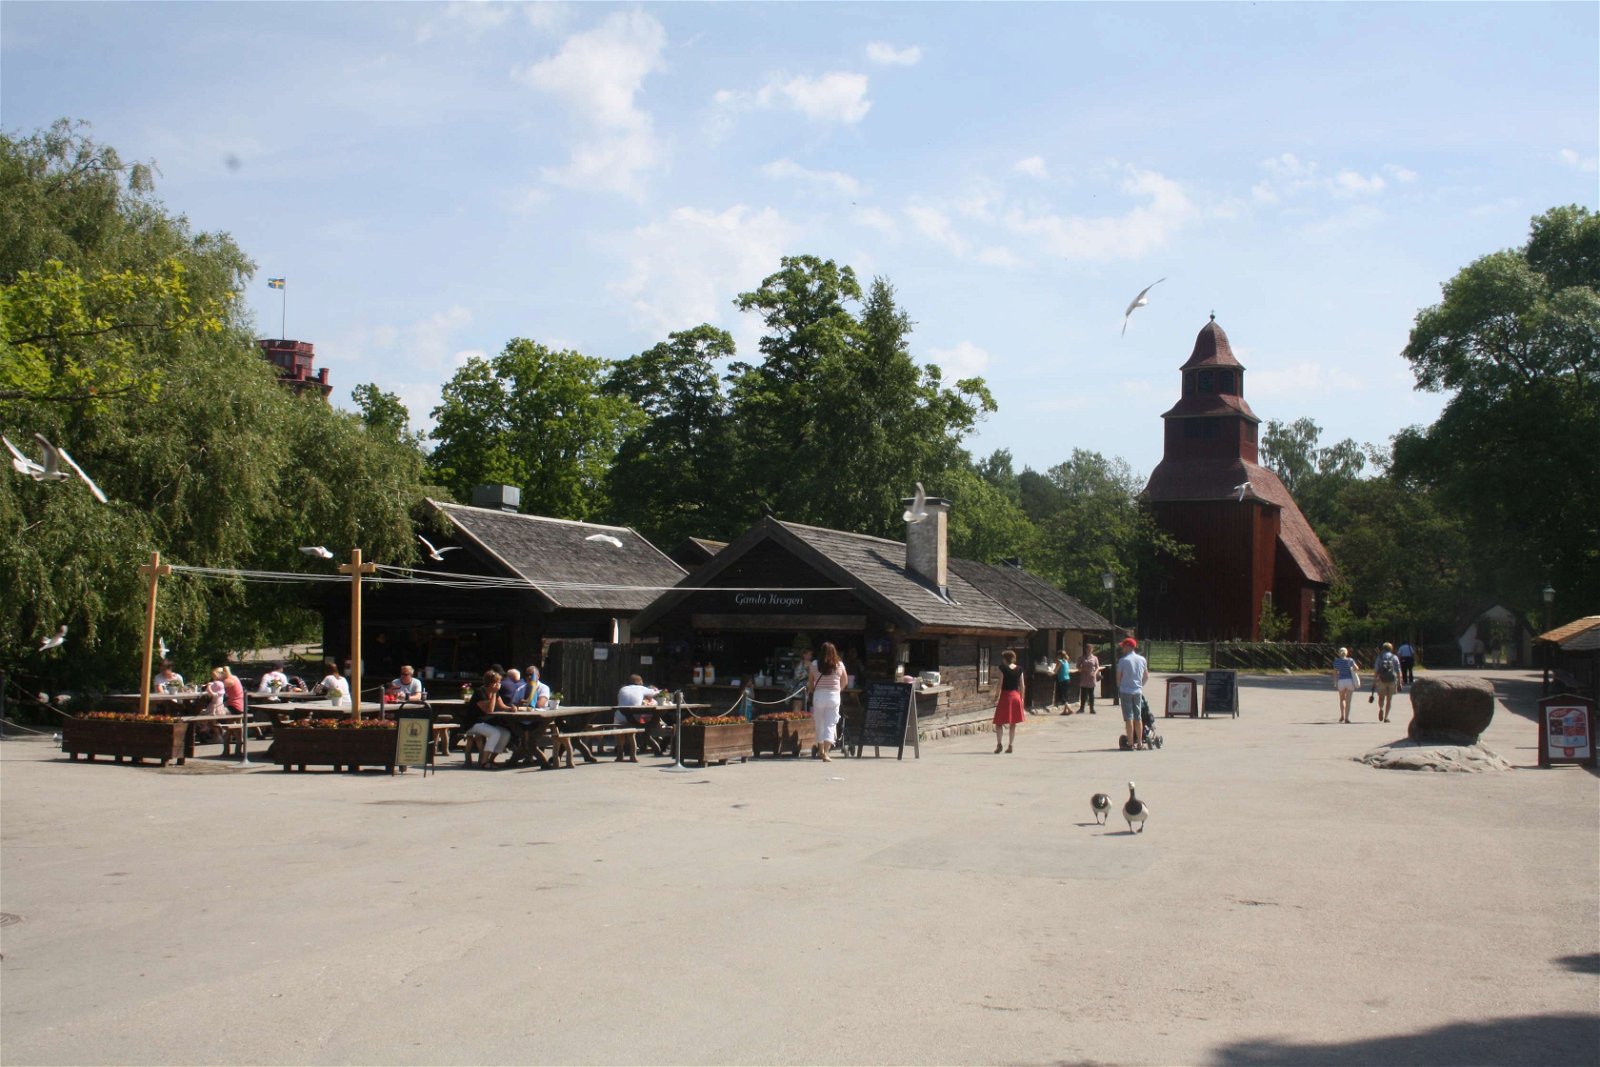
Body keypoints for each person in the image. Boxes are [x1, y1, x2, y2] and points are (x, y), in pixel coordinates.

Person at [462, 670, 513, 768]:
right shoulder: (480, 692)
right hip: (474, 723)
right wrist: (493, 694)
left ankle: (491, 759)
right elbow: (488, 710)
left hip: (485, 723)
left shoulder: (495, 693)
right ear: (491, 683)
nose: (499, 684)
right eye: (497, 682)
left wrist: (511, 708)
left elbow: (502, 706)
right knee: (495, 733)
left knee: (506, 734)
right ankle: (484, 762)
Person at [808, 642, 847, 761]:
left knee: (819, 723)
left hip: (819, 695)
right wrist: (837, 690)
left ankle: (820, 750)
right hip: (834, 696)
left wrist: (812, 690)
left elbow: (810, 682)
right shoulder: (839, 664)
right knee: (830, 724)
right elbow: (845, 681)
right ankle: (826, 751)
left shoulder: (814, 664)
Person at [1116, 638, 1150, 749]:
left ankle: (1130, 742)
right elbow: (1146, 677)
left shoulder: (1123, 661)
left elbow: (1118, 678)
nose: (1122, 649)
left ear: (1128, 646)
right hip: (1137, 691)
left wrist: (1120, 686)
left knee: (1128, 717)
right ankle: (1140, 743)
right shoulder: (1142, 659)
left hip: (1126, 691)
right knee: (1138, 717)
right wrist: (1140, 686)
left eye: (1123, 646)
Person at [993, 649, 1026, 752]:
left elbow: (1000, 683)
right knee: (1013, 723)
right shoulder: (1019, 669)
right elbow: (1022, 685)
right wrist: (1022, 698)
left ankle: (999, 744)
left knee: (999, 722)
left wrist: (996, 696)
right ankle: (1011, 745)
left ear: (1005, 659)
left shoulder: (1002, 668)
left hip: (1006, 696)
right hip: (1016, 696)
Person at [1373, 642, 1403, 724]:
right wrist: (1400, 682)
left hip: (1382, 679)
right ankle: (1386, 717)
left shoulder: (1379, 657)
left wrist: (1374, 681)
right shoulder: (1394, 657)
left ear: (1383, 648)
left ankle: (1381, 708)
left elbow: (1376, 670)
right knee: (1389, 699)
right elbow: (1398, 670)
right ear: (1391, 648)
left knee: (1381, 697)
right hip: (1392, 680)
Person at [1333, 647, 1360, 723]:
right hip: (1349, 681)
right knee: (1348, 701)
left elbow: (1335, 673)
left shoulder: (1336, 661)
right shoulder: (1350, 660)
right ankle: (1347, 718)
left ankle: (1342, 715)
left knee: (1342, 699)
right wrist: (1351, 669)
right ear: (1346, 653)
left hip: (1341, 681)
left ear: (1339, 653)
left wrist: (1335, 682)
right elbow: (1357, 668)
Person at [1076, 644, 1101, 715]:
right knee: (1083, 693)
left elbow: (1097, 667)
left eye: (1090, 649)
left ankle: (1092, 708)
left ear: (1092, 650)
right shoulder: (1081, 657)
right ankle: (1082, 708)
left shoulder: (1095, 658)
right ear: (1085, 649)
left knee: (1091, 694)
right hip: (1084, 676)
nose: (1089, 650)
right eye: (1087, 649)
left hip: (1091, 677)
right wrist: (1081, 669)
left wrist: (1095, 673)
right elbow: (1077, 666)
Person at [1054, 649, 1074, 713]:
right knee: (1065, 695)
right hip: (1067, 679)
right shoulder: (1066, 661)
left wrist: (1053, 670)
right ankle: (1065, 710)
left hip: (1062, 680)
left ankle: (1069, 709)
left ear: (1059, 655)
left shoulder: (1060, 661)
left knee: (1062, 697)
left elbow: (1055, 670)